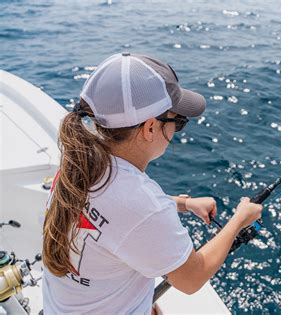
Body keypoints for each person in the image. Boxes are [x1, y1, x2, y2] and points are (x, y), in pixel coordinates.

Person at [42, 52, 263, 314]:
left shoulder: (79, 160)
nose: (177, 129)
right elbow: (191, 278)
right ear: (149, 128)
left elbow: (115, 215)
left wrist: (183, 203)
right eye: (177, 121)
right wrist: (239, 219)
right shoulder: (142, 203)